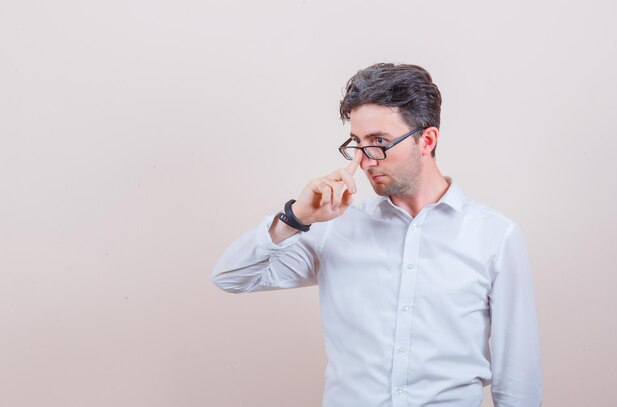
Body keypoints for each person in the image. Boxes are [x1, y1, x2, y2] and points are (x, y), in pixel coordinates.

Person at [212, 63, 542, 406]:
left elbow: (518, 377)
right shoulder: (334, 230)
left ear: (426, 140)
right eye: (357, 142)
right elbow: (231, 276)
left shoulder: (495, 236)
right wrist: (295, 216)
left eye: (379, 142)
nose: (365, 161)